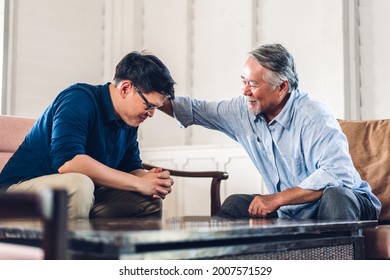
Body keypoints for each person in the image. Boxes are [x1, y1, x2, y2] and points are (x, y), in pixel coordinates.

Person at [160, 43, 381, 221]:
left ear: (282, 87)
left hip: (348, 201)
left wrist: (276, 199)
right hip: (293, 209)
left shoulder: (313, 115)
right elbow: (195, 110)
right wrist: (148, 97)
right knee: (234, 204)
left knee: (335, 198)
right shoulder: (243, 109)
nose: (245, 91)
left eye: (254, 84)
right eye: (243, 81)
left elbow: (336, 174)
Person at [0, 51, 175, 219]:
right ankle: (67, 250)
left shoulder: (129, 121)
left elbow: (130, 167)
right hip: (14, 194)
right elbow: (68, 162)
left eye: (155, 108)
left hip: (82, 194)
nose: (151, 114)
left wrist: (151, 180)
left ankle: (111, 249)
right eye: (149, 105)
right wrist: (139, 183)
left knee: (149, 202)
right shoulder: (78, 99)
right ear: (125, 88)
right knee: (78, 185)